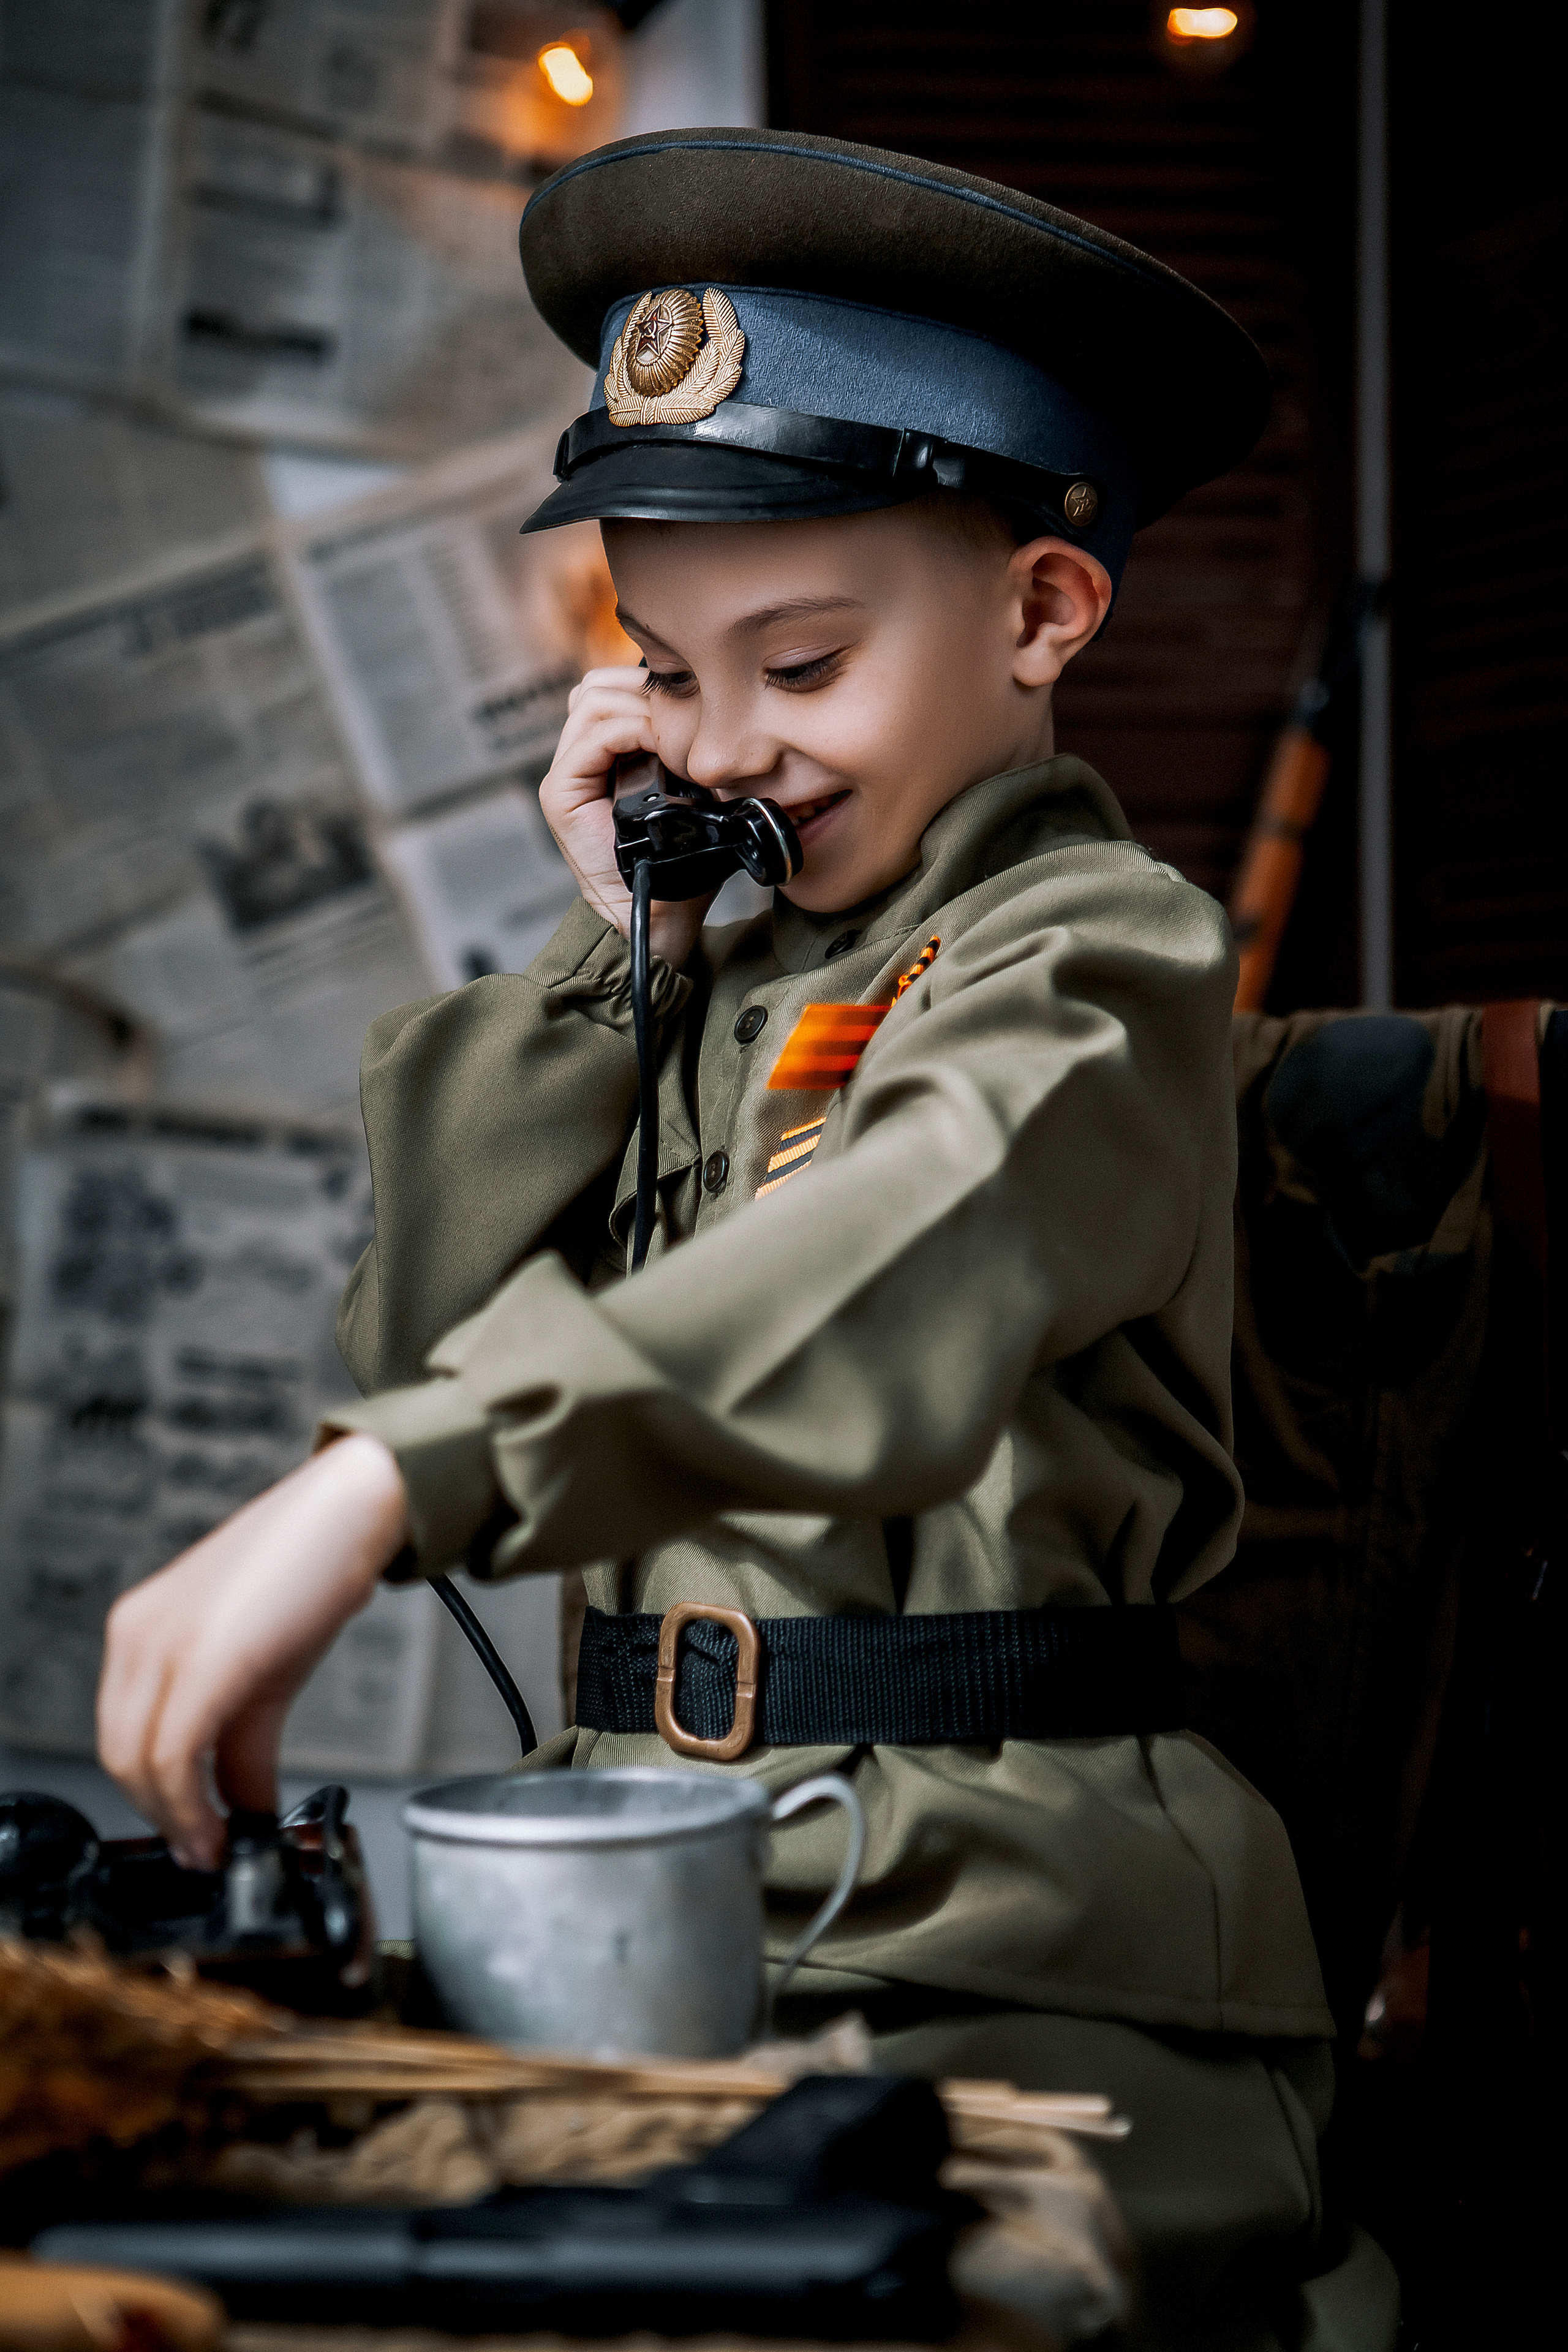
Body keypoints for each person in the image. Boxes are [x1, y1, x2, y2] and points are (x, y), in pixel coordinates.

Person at [97, 129, 1398, 2350]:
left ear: (1038, 613)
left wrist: (397, 1479)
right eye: (666, 670)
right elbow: (413, 1340)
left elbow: (903, 1242)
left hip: (999, 1952)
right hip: (652, 1909)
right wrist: (610, 967)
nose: (727, 741)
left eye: (801, 662)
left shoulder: (1089, 961)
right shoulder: (697, 983)